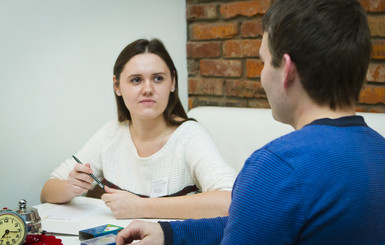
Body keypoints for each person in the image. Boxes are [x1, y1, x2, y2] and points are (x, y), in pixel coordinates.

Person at [116, 0, 385, 244]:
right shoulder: (379, 151)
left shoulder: (277, 167)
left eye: (263, 62)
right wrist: (171, 233)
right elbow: (258, 223)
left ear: (287, 70)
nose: (262, 77)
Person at [40, 38, 236, 220]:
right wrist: (69, 187)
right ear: (117, 86)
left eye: (158, 78)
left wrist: (140, 207)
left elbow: (229, 201)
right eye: (136, 80)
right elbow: (48, 190)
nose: (148, 88)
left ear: (173, 82)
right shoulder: (110, 134)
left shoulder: (190, 135)